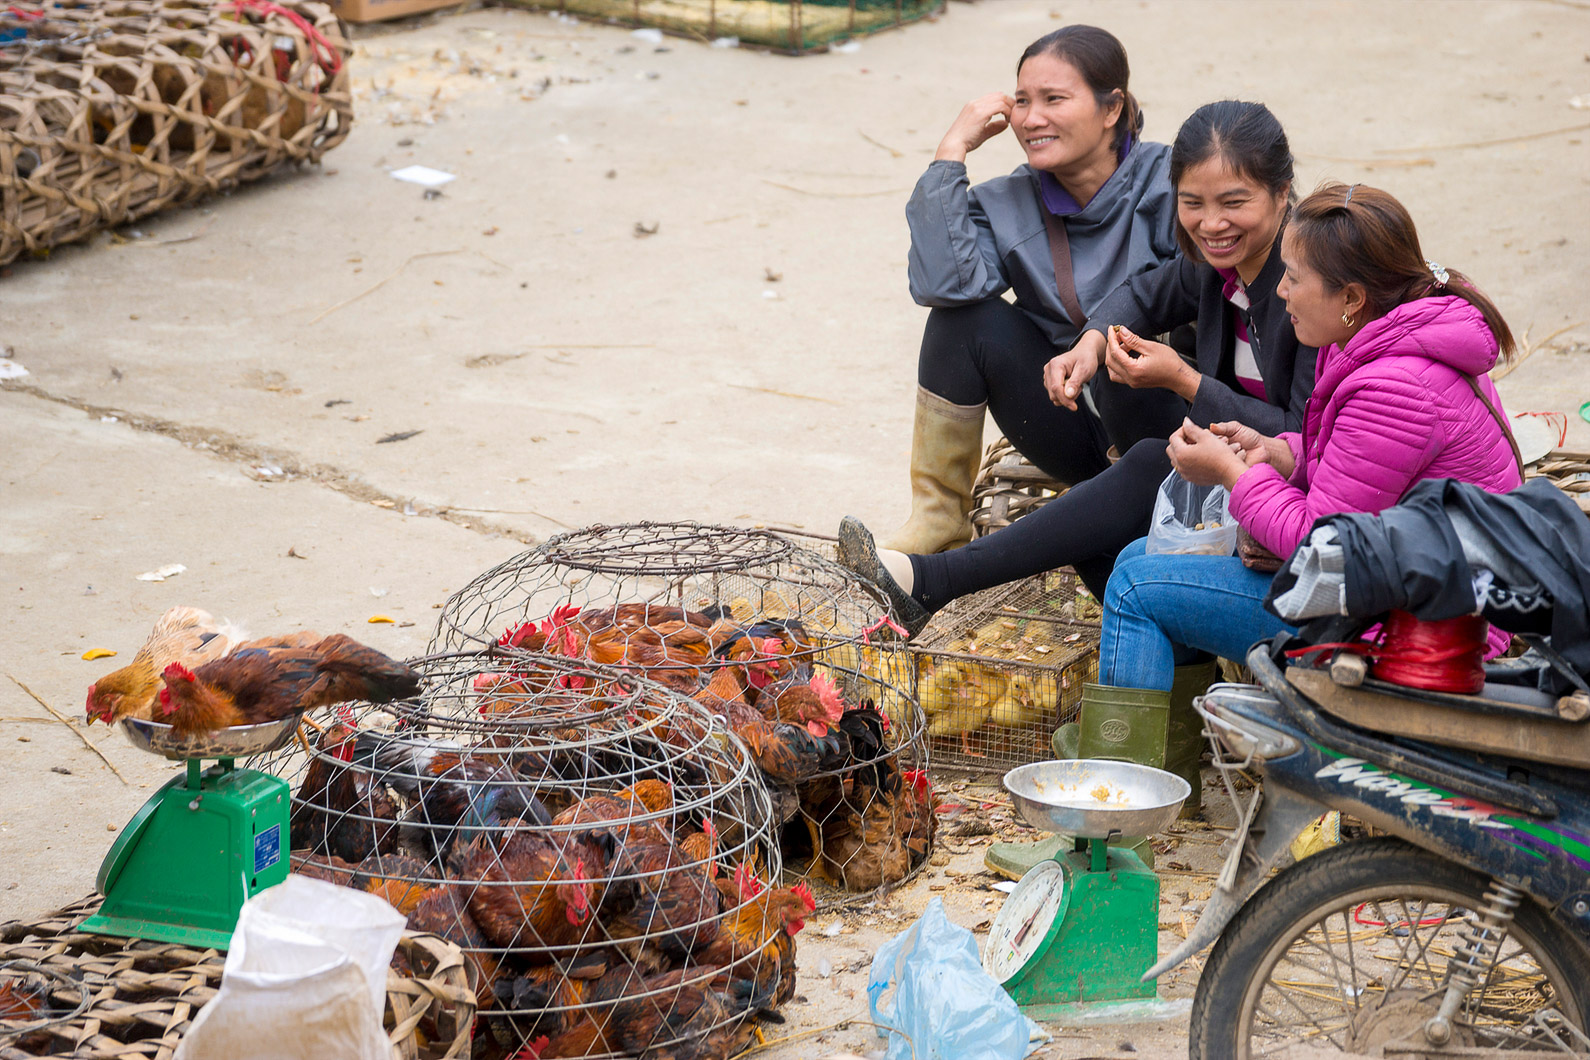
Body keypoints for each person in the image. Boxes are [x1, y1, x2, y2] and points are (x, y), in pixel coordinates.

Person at [844, 100, 1318, 637]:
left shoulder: (1309, 285)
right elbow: (1144, 293)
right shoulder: (1216, 266)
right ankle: (939, 543)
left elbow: (1306, 442)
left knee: (1145, 466)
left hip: (1284, 506)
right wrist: (1090, 343)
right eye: (1192, 203)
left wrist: (1183, 380)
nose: (1211, 224)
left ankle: (935, 581)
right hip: (1203, 465)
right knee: (1109, 395)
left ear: (1282, 192)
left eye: (1234, 202)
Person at [1092, 181, 1523, 736]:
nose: (1281, 292)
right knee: (1139, 556)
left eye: (1294, 279)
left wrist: (1231, 473)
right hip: (1395, 588)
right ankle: (1171, 761)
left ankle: (1127, 780)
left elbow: (1321, 548)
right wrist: (1276, 452)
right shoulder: (1388, 335)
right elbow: (1360, 475)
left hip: (1421, 630)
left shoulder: (1396, 388)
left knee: (1134, 588)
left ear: (1351, 299)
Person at [885, 24, 1187, 558]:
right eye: (1022, 100)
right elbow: (942, 285)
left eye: (1054, 99)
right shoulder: (1007, 202)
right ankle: (937, 520)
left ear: (1112, 108)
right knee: (961, 322)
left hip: (1170, 433)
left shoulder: (1174, 182)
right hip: (1070, 420)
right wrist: (951, 153)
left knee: (1122, 354)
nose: (1030, 118)